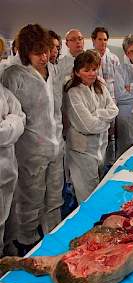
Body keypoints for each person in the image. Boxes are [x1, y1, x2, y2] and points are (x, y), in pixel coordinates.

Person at [1, 24, 65, 255]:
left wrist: (60, 139)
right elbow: (12, 113)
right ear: (25, 51)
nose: (44, 57)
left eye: (46, 51)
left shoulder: (54, 71)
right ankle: (28, 243)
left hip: (56, 146)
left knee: (55, 197)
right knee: (31, 200)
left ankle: (55, 239)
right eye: (38, 52)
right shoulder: (13, 76)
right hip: (30, 151)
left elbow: (57, 111)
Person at [64, 50, 118, 202]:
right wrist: (105, 120)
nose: (91, 73)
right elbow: (88, 126)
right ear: (77, 72)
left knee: (99, 191)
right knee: (87, 198)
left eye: (94, 69)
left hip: (100, 148)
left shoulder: (100, 86)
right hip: (82, 151)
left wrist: (97, 113)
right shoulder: (73, 92)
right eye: (86, 70)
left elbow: (114, 110)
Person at [0, 83, 25, 257]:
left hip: (8, 166)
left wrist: (11, 122)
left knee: (9, 217)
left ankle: (8, 254)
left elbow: (20, 115)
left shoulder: (2, 90)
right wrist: (13, 121)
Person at [91, 27, 120, 168]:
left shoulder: (114, 59)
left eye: (105, 40)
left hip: (111, 101)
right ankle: (98, 164)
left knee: (111, 135)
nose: (103, 43)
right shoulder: (88, 58)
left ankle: (110, 163)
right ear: (93, 40)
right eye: (100, 39)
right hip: (94, 102)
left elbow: (118, 82)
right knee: (97, 134)